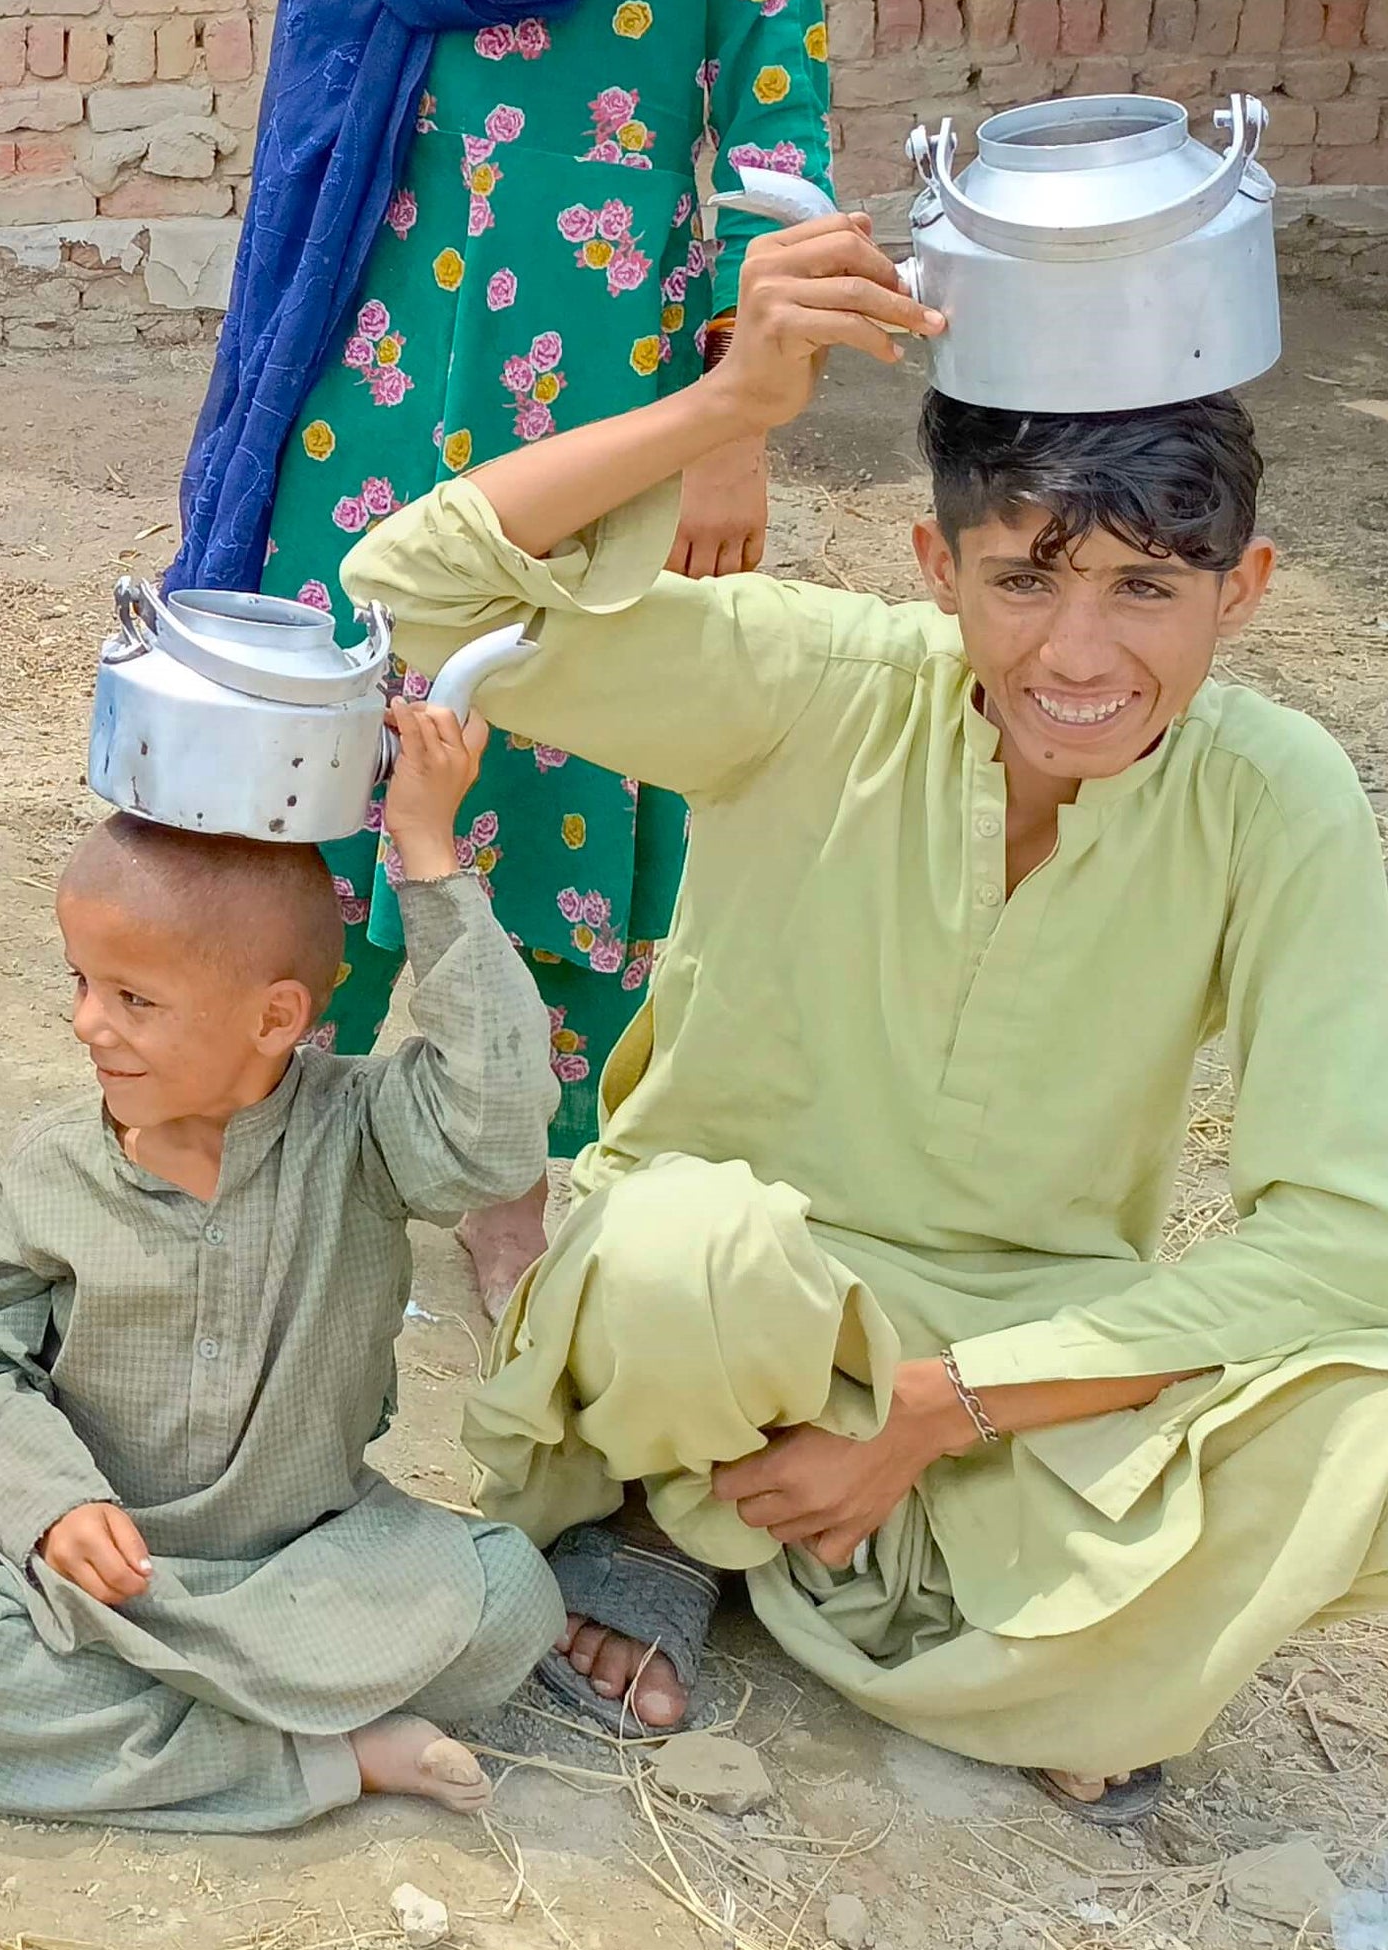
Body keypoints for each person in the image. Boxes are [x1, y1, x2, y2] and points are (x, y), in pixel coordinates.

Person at [347, 210, 1388, 1816]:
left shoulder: (1279, 795)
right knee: (690, 1260)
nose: (1082, 650)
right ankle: (838, 1574)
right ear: (936, 563)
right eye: (1025, 576)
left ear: (1240, 588)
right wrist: (725, 411)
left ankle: (743, 1547)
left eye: (1147, 585)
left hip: (1025, 1365)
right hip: (723, 1310)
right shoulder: (818, 680)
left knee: (1362, 1431)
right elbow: (411, 593)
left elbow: (1339, 1236)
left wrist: (943, 1406)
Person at [170, 0, 834, 1316]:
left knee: (560, 767)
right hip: (363, 403)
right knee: (331, 752)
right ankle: (305, 1140)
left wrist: (735, 430)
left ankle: (516, 1187)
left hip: (607, 422)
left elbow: (771, 163)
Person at [0, 698, 562, 1830]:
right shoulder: (44, 1176)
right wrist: (49, 1508)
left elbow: (500, 1117)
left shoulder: (364, 1138)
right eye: (81, 984)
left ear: (276, 1017)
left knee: (511, 1600)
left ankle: (208, 1730)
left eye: (135, 1000)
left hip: (305, 1568)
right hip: (102, 1580)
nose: (90, 1025)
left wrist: (425, 856)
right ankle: (325, 1755)